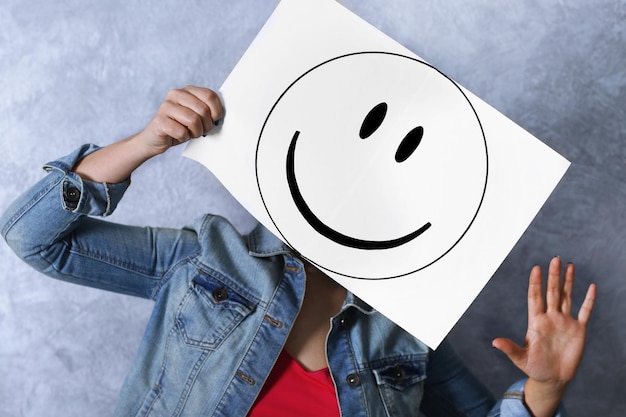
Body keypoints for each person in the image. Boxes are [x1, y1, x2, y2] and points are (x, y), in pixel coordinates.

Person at [0, 86, 596, 417]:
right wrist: (144, 143)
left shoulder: (406, 333)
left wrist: (543, 392)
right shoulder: (207, 259)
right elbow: (35, 240)